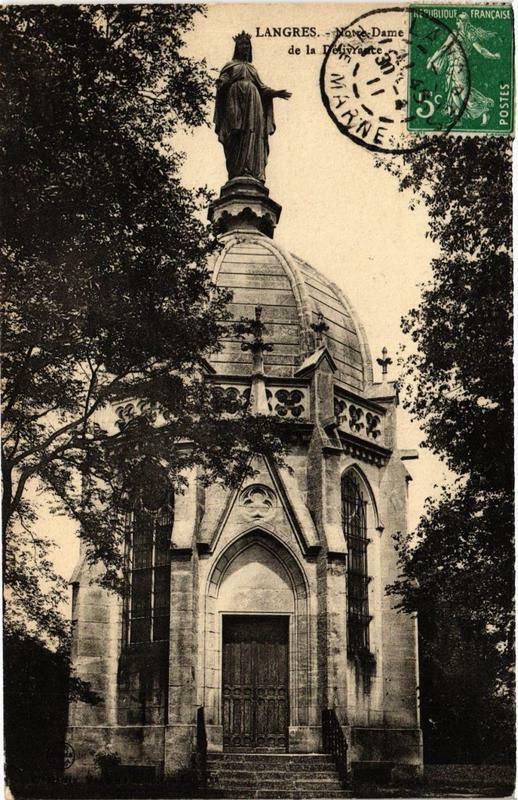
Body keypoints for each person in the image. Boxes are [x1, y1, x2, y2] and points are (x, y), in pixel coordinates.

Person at [214, 32, 291, 182]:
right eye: (242, 44)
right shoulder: (230, 66)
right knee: (234, 133)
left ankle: (250, 169)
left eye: (248, 45)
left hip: (253, 104)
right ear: (237, 47)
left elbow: (262, 88)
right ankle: (236, 172)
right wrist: (221, 82)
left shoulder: (252, 69)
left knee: (252, 133)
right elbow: (224, 79)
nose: (245, 47)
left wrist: (275, 93)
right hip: (235, 100)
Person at [427, 13, 500, 126]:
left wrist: (432, 60)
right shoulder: (467, 35)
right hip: (453, 67)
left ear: (460, 22)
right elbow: (482, 51)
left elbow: (443, 48)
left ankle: (484, 110)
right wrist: (493, 56)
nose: (458, 22)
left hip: (459, 67)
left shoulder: (459, 35)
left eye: (459, 20)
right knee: (454, 91)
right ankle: (458, 118)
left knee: (464, 93)